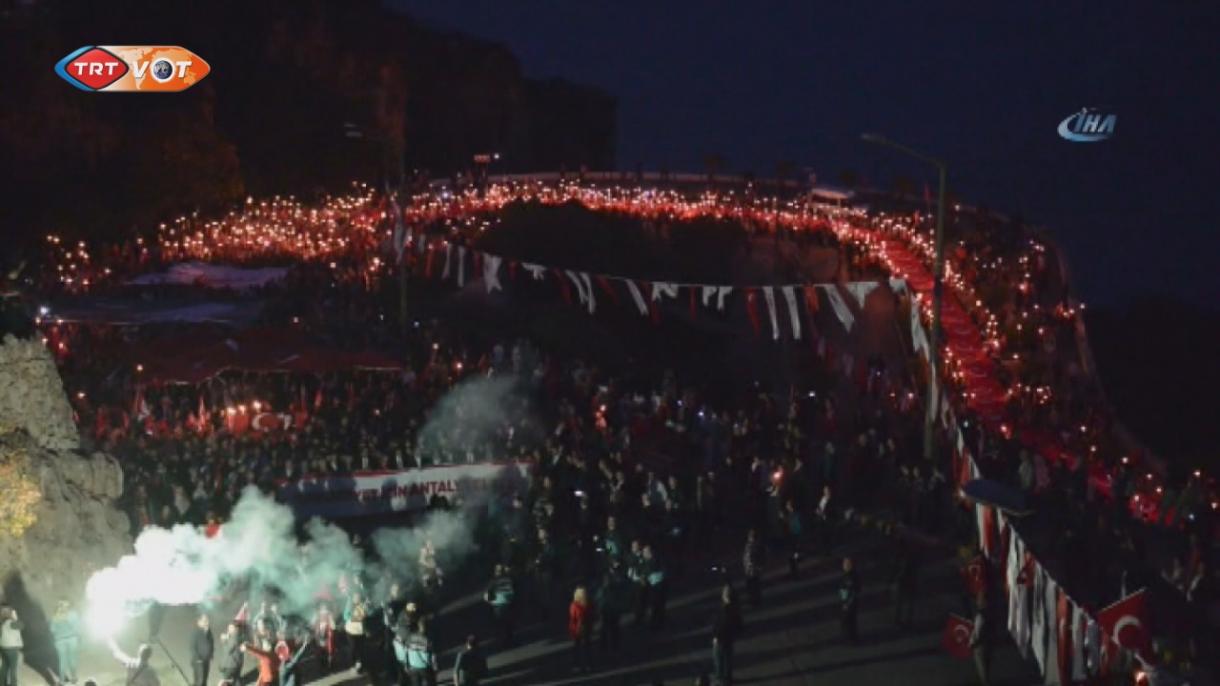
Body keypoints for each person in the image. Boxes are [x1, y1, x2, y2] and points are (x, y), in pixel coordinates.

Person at [711, 585, 742, 686]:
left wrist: (716, 637)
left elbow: (719, 626)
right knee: (728, 660)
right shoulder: (735, 609)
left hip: (721, 640)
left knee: (719, 661)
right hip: (729, 639)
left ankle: (721, 680)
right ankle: (727, 679)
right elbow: (739, 625)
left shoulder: (724, 610)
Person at [484, 565, 516, 647]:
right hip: (500, 606)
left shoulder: (507, 580)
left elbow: (513, 591)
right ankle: (505, 640)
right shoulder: (493, 582)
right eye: (498, 571)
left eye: (501, 571)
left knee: (506, 623)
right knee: (502, 624)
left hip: (506, 605)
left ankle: (508, 639)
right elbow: (487, 594)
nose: (500, 573)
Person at [51, 600, 81, 685]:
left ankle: (62, 681)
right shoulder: (73, 614)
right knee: (72, 659)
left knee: (62, 661)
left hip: (60, 641)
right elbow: (77, 627)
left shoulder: (55, 616)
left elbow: (52, 630)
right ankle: (74, 677)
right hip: (72, 639)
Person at [890, 540, 919, 629]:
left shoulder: (900, 557)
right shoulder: (908, 557)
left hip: (903, 581)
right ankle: (904, 620)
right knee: (905, 602)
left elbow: (895, 570)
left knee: (902, 602)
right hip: (905, 581)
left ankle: (901, 620)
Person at [400, 618, 437, 686]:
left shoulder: (410, 637)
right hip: (424, 667)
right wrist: (435, 667)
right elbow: (432, 656)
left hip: (413, 667)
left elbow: (405, 653)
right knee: (431, 683)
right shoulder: (427, 639)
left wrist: (406, 665)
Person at [568, 587, 593, 674]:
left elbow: (573, 617)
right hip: (586, 628)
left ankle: (577, 666)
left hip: (577, 629)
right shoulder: (588, 604)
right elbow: (591, 616)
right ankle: (588, 665)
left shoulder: (574, 605)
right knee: (586, 648)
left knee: (577, 648)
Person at [969, 593, 991, 686]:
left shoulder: (983, 615)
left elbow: (980, 632)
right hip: (978, 645)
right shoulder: (979, 614)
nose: (978, 602)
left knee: (982, 668)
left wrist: (974, 642)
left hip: (980, 646)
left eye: (980, 600)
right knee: (981, 667)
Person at [839, 557, 861, 643]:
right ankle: (850, 638)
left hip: (849, 603)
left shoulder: (850, 577)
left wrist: (846, 603)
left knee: (848, 621)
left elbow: (851, 592)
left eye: (846, 564)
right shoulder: (847, 575)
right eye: (844, 564)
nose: (844, 566)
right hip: (848, 602)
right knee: (849, 621)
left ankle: (850, 639)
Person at [0, 607, 23, 686]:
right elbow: (22, 626)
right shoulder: (12, 623)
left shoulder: (2, 623)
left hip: (3, 647)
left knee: (4, 667)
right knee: (13, 668)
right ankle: (13, 684)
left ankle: (2, 683)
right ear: (10, 615)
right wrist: (15, 618)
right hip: (12, 649)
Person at [188, 614, 213, 686]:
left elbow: (211, 642)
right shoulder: (195, 632)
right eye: (204, 621)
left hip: (206, 660)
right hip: (198, 662)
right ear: (199, 622)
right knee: (199, 680)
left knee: (204, 679)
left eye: (207, 620)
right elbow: (192, 647)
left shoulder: (208, 631)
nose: (207, 622)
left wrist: (211, 654)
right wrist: (198, 659)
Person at [742, 529, 764, 607]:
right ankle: (755, 602)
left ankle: (755, 602)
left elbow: (749, 559)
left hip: (751, 572)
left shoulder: (750, 546)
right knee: (754, 588)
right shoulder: (751, 546)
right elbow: (750, 559)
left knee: (754, 588)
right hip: (751, 572)